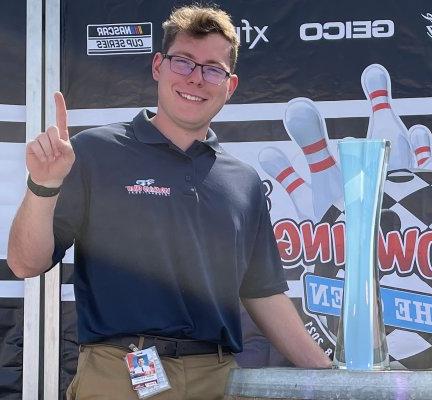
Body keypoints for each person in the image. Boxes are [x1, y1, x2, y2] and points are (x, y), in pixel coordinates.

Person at [7, 4, 331, 399]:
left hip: (216, 378)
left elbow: (263, 293)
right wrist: (43, 186)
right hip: (120, 374)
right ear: (158, 65)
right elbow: (26, 262)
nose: (196, 79)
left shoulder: (243, 182)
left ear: (229, 86)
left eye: (213, 68)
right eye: (184, 62)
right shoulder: (93, 152)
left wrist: (332, 378)